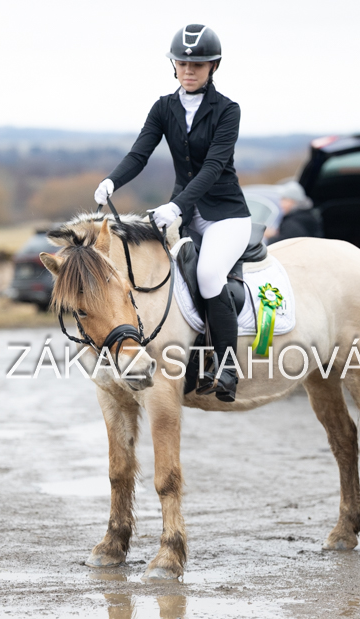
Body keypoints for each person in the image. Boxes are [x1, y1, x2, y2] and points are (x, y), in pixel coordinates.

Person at [94, 24, 251, 403]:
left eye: (197, 64)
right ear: (174, 66)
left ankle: (227, 367)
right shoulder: (164, 108)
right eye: (182, 63)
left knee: (209, 275)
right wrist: (112, 181)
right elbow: (139, 154)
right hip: (183, 211)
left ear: (213, 66)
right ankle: (186, 359)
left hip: (226, 214)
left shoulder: (227, 110)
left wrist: (177, 206)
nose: (188, 70)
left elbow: (213, 167)